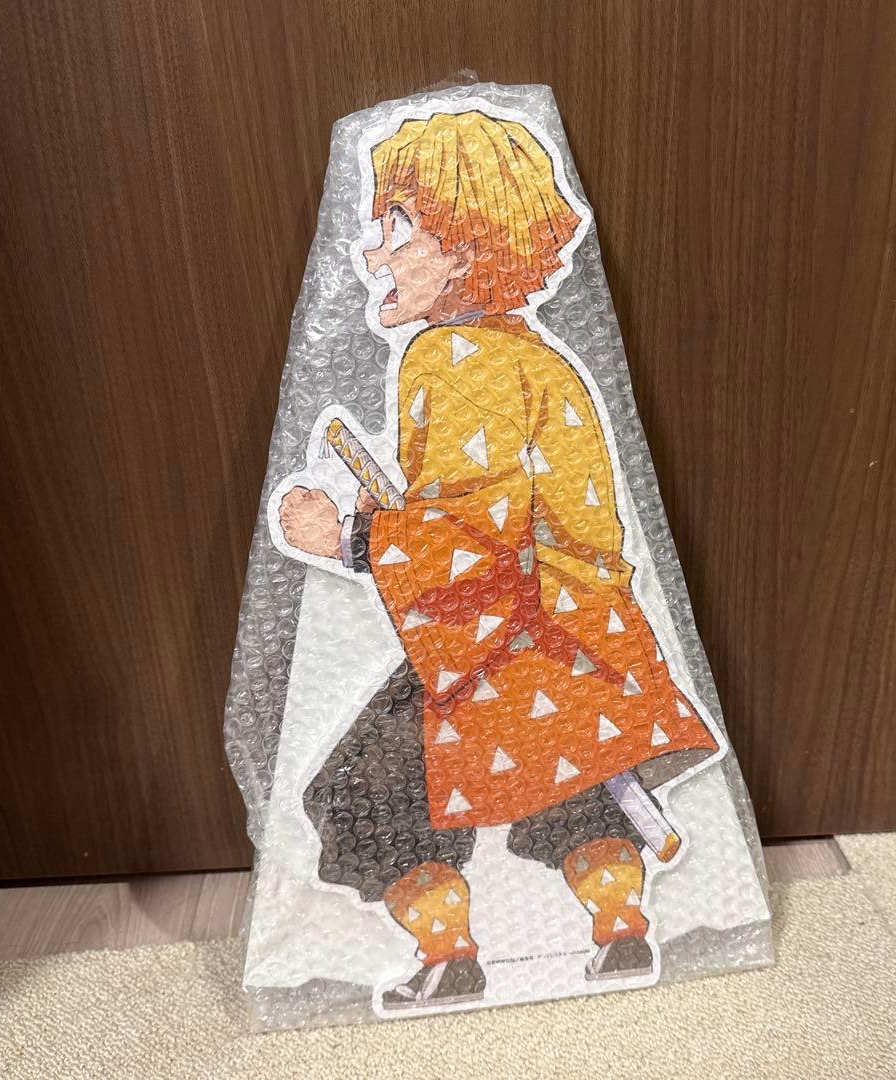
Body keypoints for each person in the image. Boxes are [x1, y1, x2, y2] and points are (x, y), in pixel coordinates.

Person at [279, 110, 718, 1011]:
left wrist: (348, 537)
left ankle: (448, 957)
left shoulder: (453, 357)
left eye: (400, 226)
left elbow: (474, 539)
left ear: (467, 250)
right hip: (587, 641)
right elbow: (502, 516)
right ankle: (625, 934)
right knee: (577, 790)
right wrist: (396, 523)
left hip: (507, 649)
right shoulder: (535, 357)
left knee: (364, 796)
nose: (373, 251)